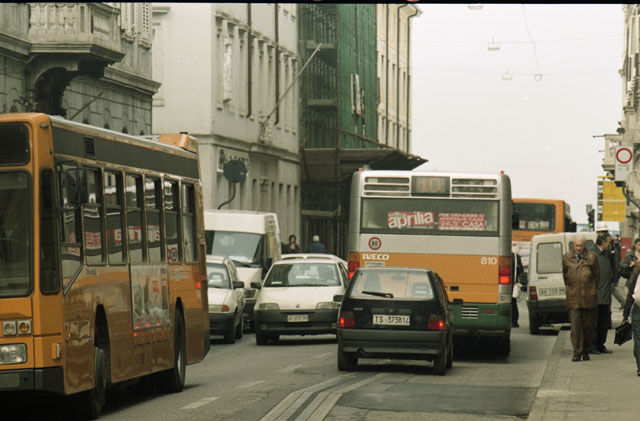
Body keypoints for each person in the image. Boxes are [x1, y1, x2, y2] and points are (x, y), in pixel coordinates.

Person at [562, 234, 599, 362]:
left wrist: (591, 289)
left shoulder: (592, 257)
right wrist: (571, 289)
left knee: (588, 326)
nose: (579, 248)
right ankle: (577, 352)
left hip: (588, 297)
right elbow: (565, 276)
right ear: (573, 245)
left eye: (581, 246)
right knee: (575, 327)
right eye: (577, 245)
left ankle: (586, 350)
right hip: (573, 298)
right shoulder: (566, 257)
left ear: (584, 245)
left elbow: (597, 276)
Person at [589, 232, 614, 354]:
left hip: (605, 294)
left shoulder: (606, 254)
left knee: (604, 322)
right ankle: (593, 345)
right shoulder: (592, 254)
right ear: (603, 242)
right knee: (595, 322)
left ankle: (600, 344)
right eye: (609, 242)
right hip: (596, 295)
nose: (610, 244)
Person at [622, 258, 640, 377]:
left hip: (638, 310)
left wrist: (626, 313)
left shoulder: (637, 275)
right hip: (637, 312)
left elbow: (630, 295)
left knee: (638, 340)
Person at [511, 249, 524, 328]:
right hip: (513, 283)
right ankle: (514, 322)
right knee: (513, 303)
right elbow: (521, 270)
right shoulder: (516, 257)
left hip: (501, 283)